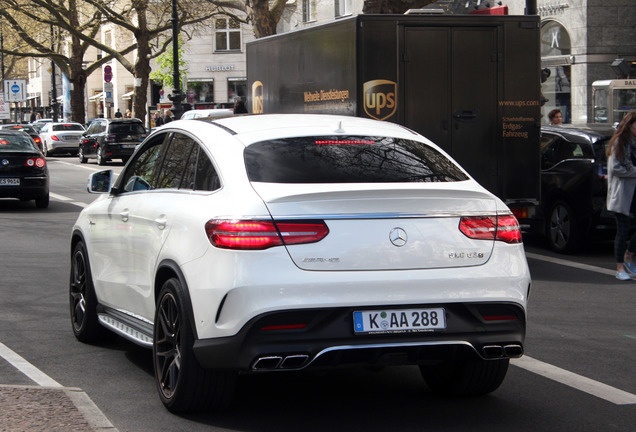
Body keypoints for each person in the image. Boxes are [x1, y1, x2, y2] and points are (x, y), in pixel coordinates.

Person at [606, 111, 636, 280]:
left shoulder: (635, 143)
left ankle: (629, 256)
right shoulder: (620, 143)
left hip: (634, 191)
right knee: (623, 230)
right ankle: (619, 268)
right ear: (629, 125)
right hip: (623, 192)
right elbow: (616, 168)